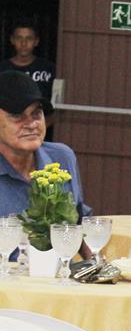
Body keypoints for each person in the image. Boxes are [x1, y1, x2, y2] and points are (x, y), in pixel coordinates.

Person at [0, 70, 89, 220]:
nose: (31, 124)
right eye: (16, 115)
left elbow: (80, 221)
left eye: (36, 113)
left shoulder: (61, 157)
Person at [1, 21, 56, 141]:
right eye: (19, 38)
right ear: (12, 40)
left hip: (41, 132)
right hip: (8, 132)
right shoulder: (3, 69)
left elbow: (57, 103)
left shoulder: (49, 69)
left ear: (36, 41)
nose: (24, 43)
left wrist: (40, 127)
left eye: (29, 38)